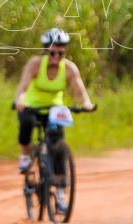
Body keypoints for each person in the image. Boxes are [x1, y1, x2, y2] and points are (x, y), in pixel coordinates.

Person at [13, 28, 95, 214]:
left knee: (58, 146)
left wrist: (86, 103)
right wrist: (20, 101)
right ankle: (26, 157)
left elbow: (79, 89)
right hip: (32, 106)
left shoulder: (69, 68)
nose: (57, 56)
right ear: (45, 50)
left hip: (55, 109)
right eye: (53, 52)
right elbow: (23, 87)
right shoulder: (35, 64)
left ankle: (59, 195)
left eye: (61, 52)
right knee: (26, 122)